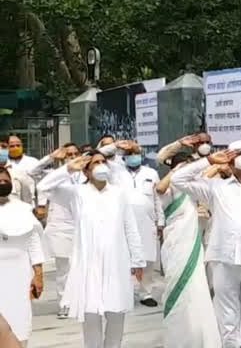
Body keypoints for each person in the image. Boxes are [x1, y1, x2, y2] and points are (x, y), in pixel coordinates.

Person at [171, 145, 241, 348]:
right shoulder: (217, 187)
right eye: (240, 154)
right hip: (223, 261)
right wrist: (210, 161)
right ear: (230, 161)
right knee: (227, 322)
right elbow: (178, 179)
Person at [37, 151, 146, 348]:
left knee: (116, 315)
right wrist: (69, 168)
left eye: (103, 161)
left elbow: (130, 227)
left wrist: (137, 261)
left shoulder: (119, 193)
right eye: (95, 163)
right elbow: (43, 186)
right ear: (86, 171)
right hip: (89, 265)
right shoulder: (76, 193)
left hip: (116, 263)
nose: (101, 165)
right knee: (91, 319)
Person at [155, 156, 221, 348]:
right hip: (175, 243)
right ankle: (178, 337)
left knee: (196, 287)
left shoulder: (192, 189)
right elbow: (159, 187)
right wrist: (176, 171)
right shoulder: (168, 190)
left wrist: (215, 163)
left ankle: (199, 336)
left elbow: (209, 173)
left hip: (193, 243)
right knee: (176, 286)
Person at [27, 144, 83, 318]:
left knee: (81, 266)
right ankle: (64, 303)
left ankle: (81, 300)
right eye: (69, 154)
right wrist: (51, 157)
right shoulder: (54, 175)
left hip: (82, 225)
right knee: (63, 269)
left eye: (76, 153)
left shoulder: (87, 174)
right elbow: (33, 173)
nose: (72, 157)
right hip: (61, 227)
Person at [0, 167, 45, 347]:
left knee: (19, 321)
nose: (2, 183)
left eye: (5, 180)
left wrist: (38, 275)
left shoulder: (24, 209)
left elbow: (33, 243)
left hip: (19, 274)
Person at [122, 144, 164, 306]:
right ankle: (125, 291)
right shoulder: (117, 173)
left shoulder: (150, 173)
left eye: (137, 153)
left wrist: (160, 221)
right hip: (124, 222)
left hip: (147, 221)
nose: (134, 156)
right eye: (130, 154)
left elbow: (157, 198)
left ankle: (145, 293)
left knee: (148, 257)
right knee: (124, 256)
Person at [0, 138, 34, 205]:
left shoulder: (19, 172)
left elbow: (27, 198)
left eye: (3, 147)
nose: (0, 150)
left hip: (15, 212)